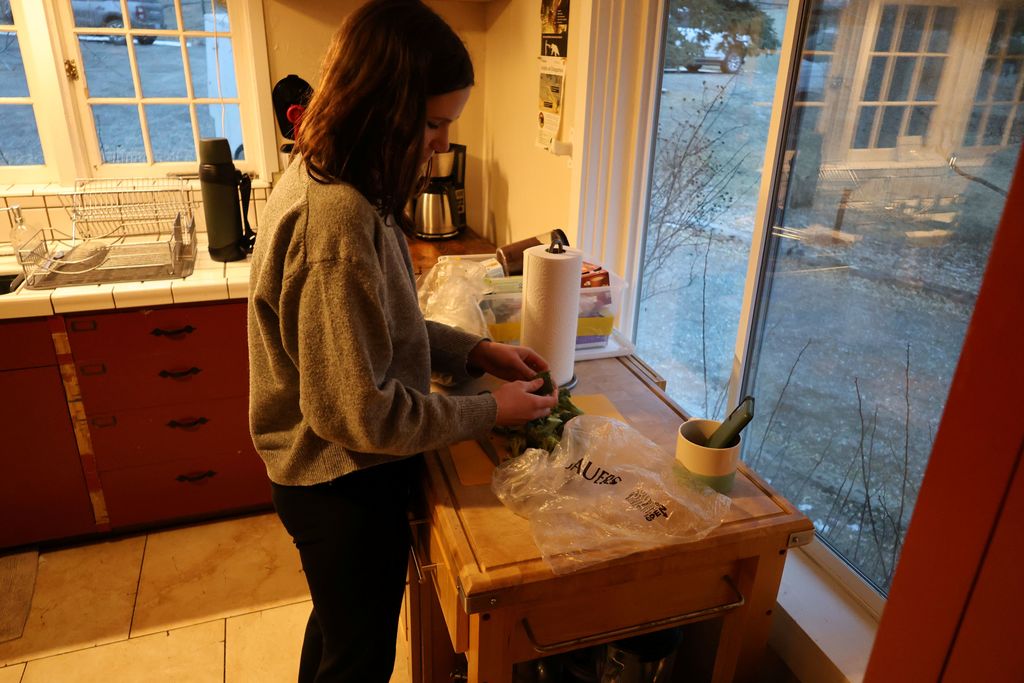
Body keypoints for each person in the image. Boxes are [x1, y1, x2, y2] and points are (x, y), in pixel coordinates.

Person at [247, 1, 558, 681]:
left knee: (337, 629)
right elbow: (356, 414)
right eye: (433, 122)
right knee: (358, 658)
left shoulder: (344, 176)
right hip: (339, 482)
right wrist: (489, 409)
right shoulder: (335, 220)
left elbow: (384, 328)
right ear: (382, 108)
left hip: (330, 473)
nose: (441, 143)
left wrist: (472, 352)